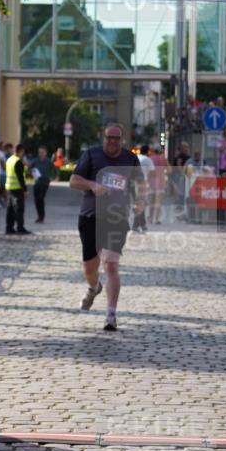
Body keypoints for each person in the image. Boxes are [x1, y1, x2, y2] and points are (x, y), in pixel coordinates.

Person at [69, 124, 145, 331]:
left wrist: (140, 200)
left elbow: (140, 182)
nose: (112, 142)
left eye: (116, 138)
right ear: (103, 138)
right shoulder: (91, 155)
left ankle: (111, 315)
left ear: (122, 140)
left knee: (111, 265)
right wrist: (93, 185)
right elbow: (73, 180)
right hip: (90, 216)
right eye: (109, 138)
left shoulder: (130, 159)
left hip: (116, 218)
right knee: (90, 268)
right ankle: (94, 288)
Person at [5, 143, 31, 235]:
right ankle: (20, 227)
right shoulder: (18, 161)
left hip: (9, 188)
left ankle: (9, 227)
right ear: (21, 151)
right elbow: (20, 177)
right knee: (19, 209)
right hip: (17, 189)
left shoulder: (9, 160)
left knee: (10, 209)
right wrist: (25, 190)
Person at [28, 145, 55, 223]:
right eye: (39, 152)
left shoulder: (49, 161)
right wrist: (31, 173)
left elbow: (55, 170)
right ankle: (39, 216)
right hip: (37, 182)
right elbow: (29, 169)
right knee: (36, 200)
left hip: (45, 182)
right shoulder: (35, 161)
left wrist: (52, 177)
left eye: (42, 152)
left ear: (46, 153)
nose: (40, 154)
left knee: (41, 198)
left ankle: (41, 217)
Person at [132, 144, 155, 233]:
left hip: (132, 182)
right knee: (141, 204)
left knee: (140, 203)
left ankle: (143, 224)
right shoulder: (148, 160)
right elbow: (153, 173)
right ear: (148, 151)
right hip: (141, 183)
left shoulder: (135, 157)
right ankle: (136, 225)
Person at [148, 146, 170, 224]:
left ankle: (150, 218)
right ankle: (157, 219)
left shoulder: (150, 159)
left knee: (152, 201)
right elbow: (169, 170)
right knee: (158, 202)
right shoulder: (163, 159)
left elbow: (149, 171)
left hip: (152, 182)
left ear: (154, 150)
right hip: (161, 182)